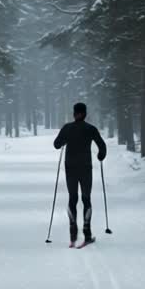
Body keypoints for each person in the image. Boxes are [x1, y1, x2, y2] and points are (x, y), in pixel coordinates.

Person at [52, 102, 107, 247]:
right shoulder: (91, 129)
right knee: (86, 198)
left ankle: (73, 235)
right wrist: (101, 156)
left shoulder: (67, 128)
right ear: (85, 113)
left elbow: (56, 144)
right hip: (85, 168)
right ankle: (87, 234)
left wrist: (64, 140)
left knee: (73, 198)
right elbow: (102, 146)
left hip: (70, 168)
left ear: (74, 113)